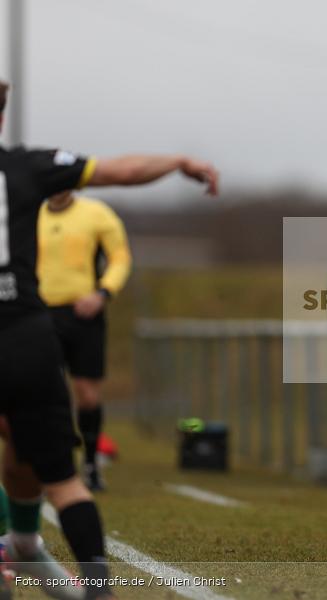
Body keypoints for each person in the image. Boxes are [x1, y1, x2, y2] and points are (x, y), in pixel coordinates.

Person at [0, 79, 218, 600]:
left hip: (57, 321)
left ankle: (25, 546)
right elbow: (121, 170)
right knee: (61, 479)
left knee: (25, 458)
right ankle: (95, 587)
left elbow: (117, 249)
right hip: (24, 332)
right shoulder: (26, 167)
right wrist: (178, 162)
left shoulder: (86, 213)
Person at [36, 190, 131, 491]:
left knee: (87, 393)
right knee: (44, 390)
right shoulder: (32, 214)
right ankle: (52, 459)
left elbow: (120, 257)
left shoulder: (97, 214)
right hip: (39, 314)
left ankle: (90, 462)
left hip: (83, 315)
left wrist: (103, 293)